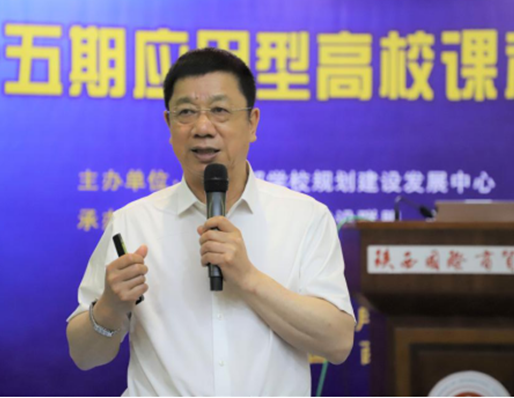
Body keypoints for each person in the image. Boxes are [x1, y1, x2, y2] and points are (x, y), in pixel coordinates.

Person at [66, 47, 356, 396]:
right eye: (186, 112)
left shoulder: (305, 217)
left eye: (220, 110)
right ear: (169, 124)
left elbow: (338, 344)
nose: (203, 128)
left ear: (252, 123)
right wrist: (109, 308)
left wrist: (248, 278)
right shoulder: (132, 223)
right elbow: (84, 356)